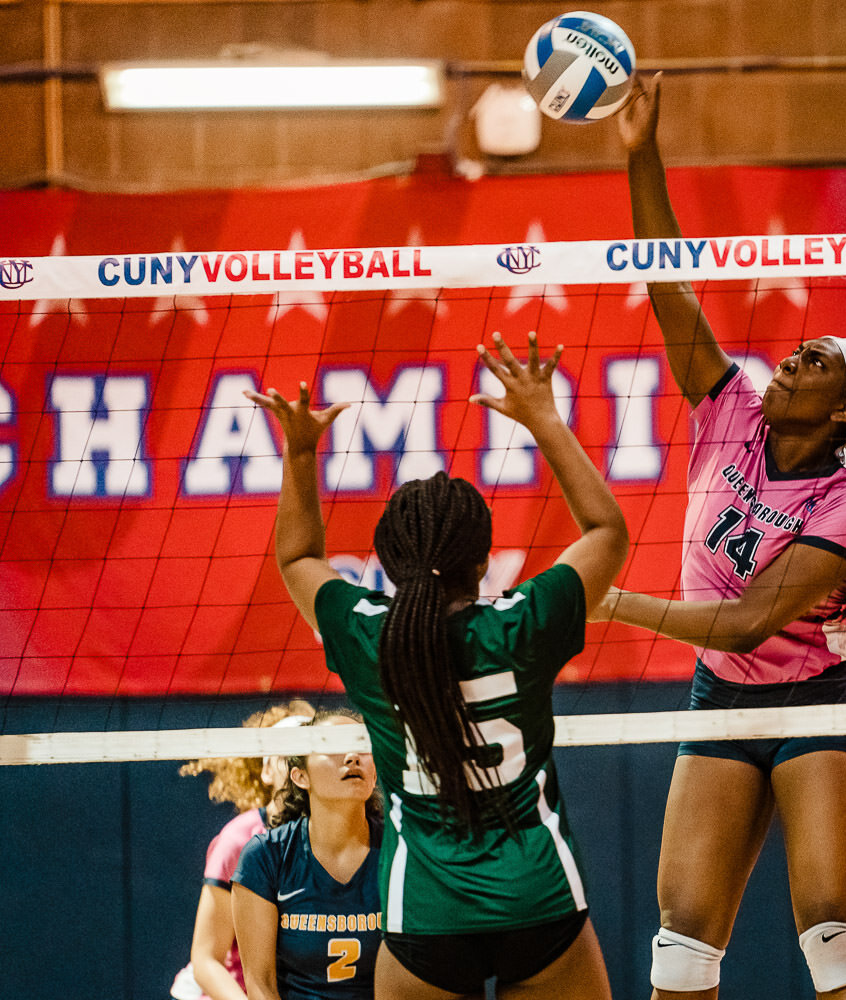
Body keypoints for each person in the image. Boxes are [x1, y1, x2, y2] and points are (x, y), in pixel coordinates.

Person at [601, 75, 846, 1000]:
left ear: (841, 410)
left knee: (833, 936)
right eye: (794, 349)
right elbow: (666, 282)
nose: (788, 359)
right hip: (718, 702)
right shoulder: (728, 412)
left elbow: (743, 622)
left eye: (810, 361)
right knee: (681, 944)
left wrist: (605, 602)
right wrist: (641, 150)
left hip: (810, 702)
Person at [245, 329, 628, 1000]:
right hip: (537, 898)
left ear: (387, 563)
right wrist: (543, 417)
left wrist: (301, 453)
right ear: (483, 561)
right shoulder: (524, 624)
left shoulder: (368, 640)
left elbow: (299, 557)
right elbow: (607, 533)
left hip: (425, 912)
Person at [233, 709, 383, 1000]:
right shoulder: (265, 857)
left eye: (361, 746)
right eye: (332, 747)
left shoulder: (398, 849)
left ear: (375, 771)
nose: (352, 756)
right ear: (301, 776)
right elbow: (260, 984)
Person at [173, 702, 317, 1000]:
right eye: (289, 755)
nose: (300, 764)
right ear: (266, 770)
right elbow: (206, 960)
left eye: (310, 754)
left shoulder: (343, 835)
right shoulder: (239, 840)